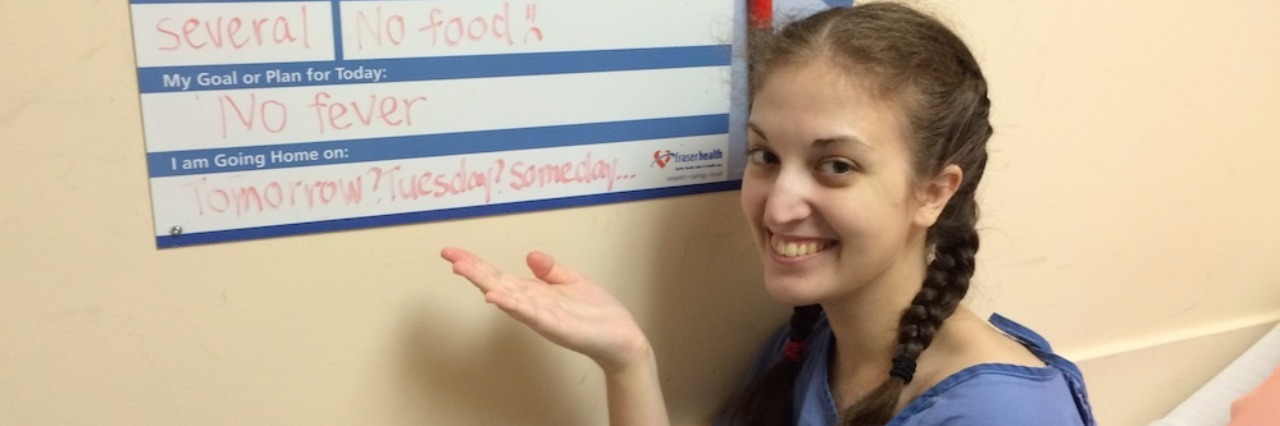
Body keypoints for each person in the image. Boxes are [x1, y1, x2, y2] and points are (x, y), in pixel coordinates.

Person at [440, 3, 1095, 425]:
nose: (779, 205)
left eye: (836, 165)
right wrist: (627, 360)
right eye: (764, 156)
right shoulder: (810, 344)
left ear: (933, 191)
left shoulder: (1002, 413)